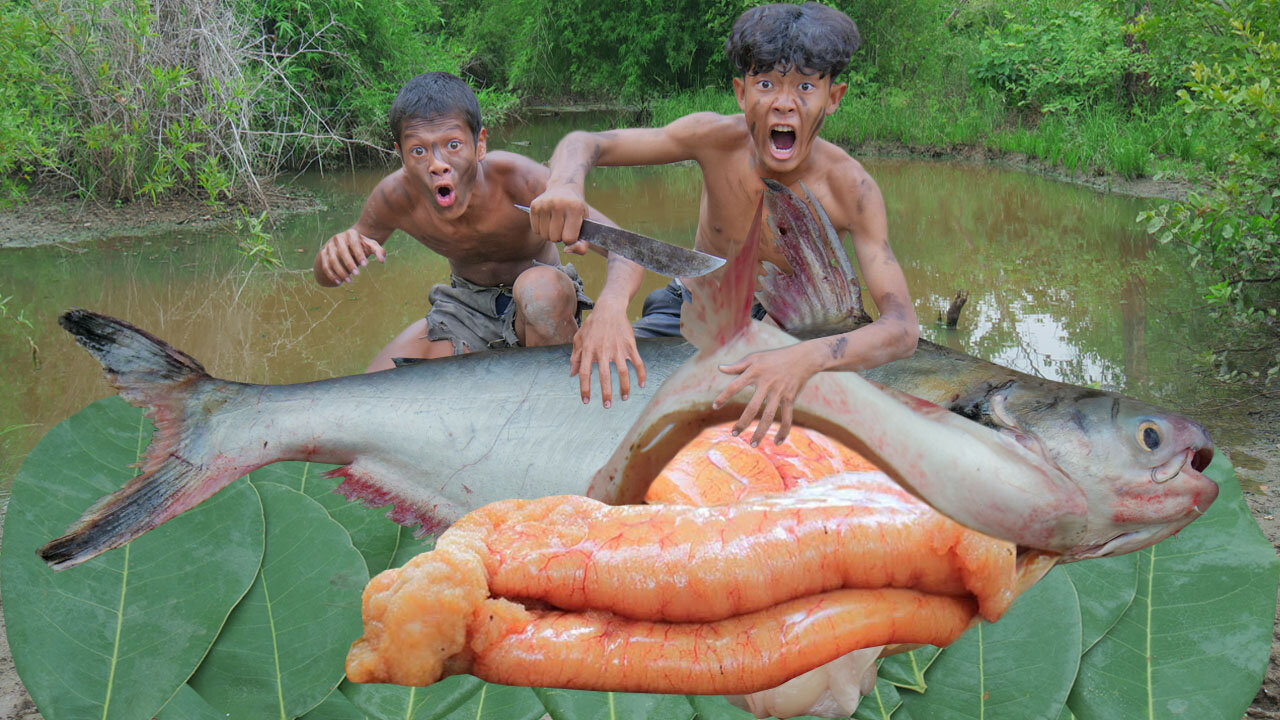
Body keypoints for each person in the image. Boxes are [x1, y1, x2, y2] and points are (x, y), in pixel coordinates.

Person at [529, 2, 920, 446]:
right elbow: (588, 142)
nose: (784, 104)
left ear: (833, 98)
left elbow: (902, 330)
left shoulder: (853, 190)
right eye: (767, 84)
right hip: (691, 307)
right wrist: (564, 185)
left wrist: (804, 358)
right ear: (741, 92)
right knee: (593, 392)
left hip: (785, 332)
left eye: (806, 87)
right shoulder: (713, 139)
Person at [314, 72, 645, 407]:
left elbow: (630, 250)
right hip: (463, 310)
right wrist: (332, 256)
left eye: (453, 145)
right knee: (365, 400)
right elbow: (328, 276)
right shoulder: (394, 198)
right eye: (418, 151)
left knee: (538, 291)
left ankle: (563, 408)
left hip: (540, 308)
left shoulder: (520, 180)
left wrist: (610, 309)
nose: (437, 164)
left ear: (480, 144)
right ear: (400, 154)